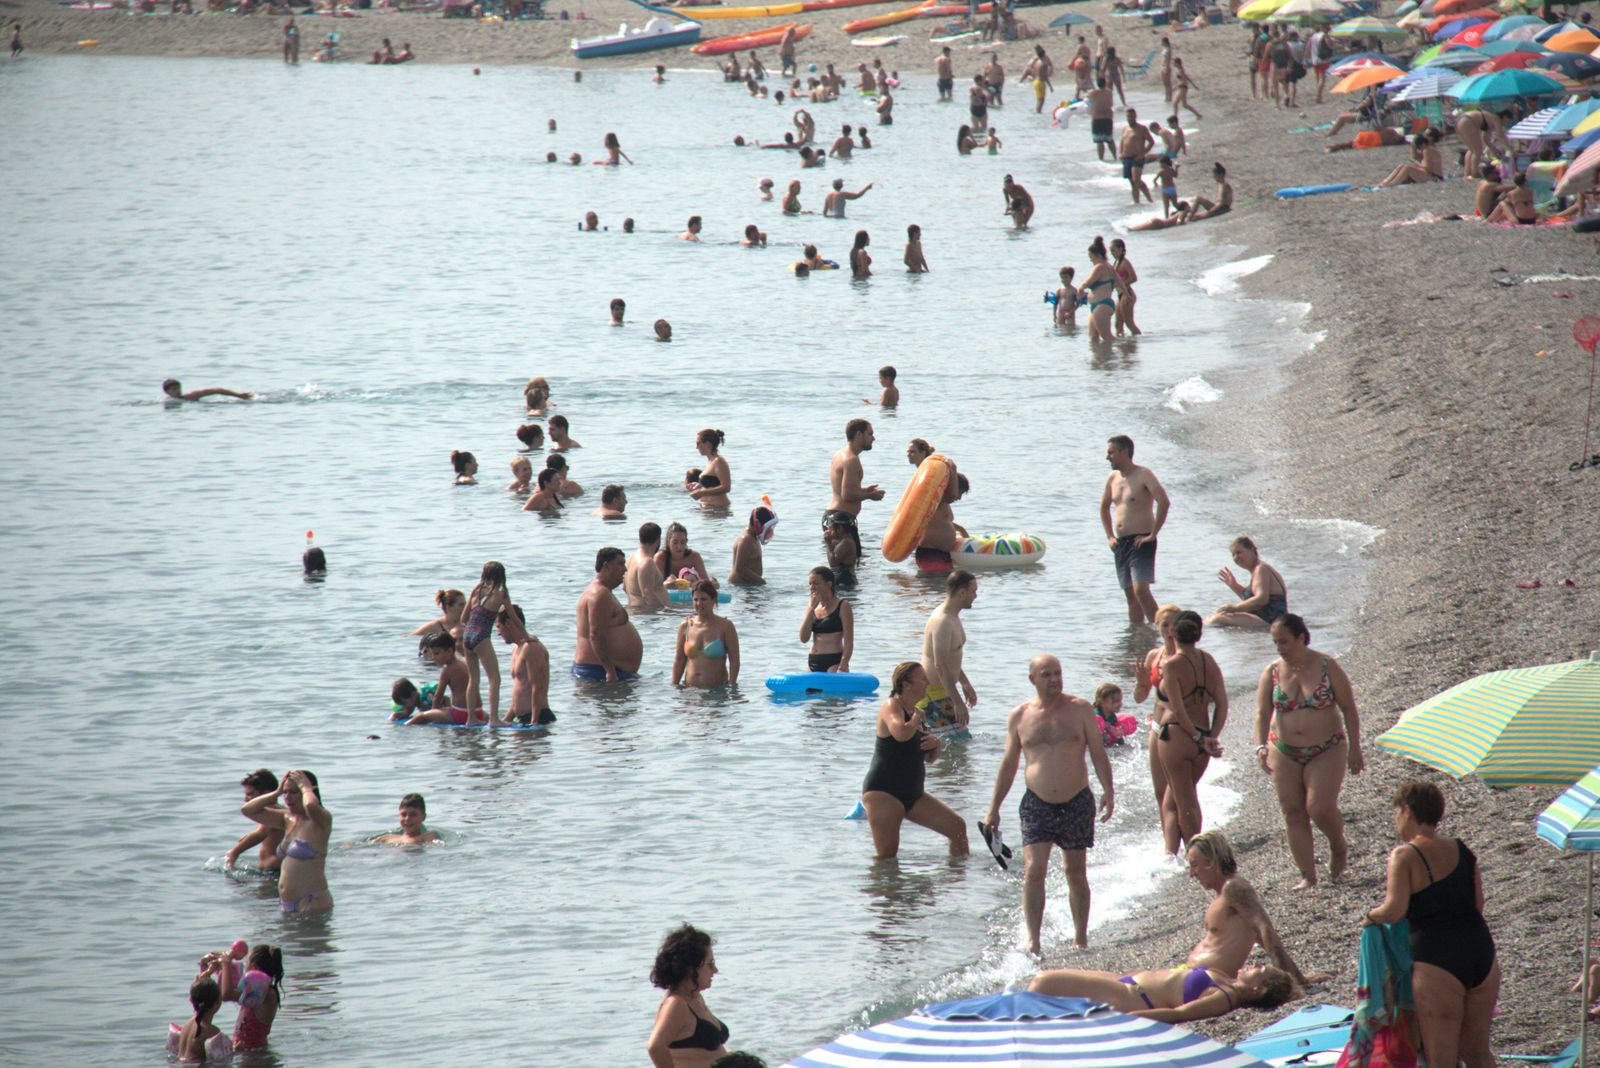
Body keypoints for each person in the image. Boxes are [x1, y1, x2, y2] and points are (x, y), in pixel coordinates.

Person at [985, 655, 1115, 953]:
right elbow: (1008, 765)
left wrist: (1109, 789)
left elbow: (1097, 752)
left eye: (1058, 673)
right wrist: (993, 808)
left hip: (1076, 800)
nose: (1054, 679)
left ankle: (1080, 936)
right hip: (1036, 803)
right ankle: (1033, 940)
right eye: (1046, 674)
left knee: (1075, 871)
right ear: (1033, 679)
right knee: (1034, 870)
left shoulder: (1080, 709)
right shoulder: (1019, 716)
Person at [1363, 782, 1498, 1068]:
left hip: (1437, 957)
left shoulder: (1405, 855)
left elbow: (1395, 910)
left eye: (1396, 812)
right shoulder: (1462, 849)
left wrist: (1370, 916)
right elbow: (1478, 904)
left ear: (1408, 811)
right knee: (1477, 1052)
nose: (1395, 820)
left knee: (1442, 1058)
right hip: (1481, 950)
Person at [1254, 614, 1363, 888]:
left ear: (1301, 638)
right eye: (1275, 642)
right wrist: (1259, 746)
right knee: (1292, 812)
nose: (1279, 647)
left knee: (1319, 807)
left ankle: (1338, 845)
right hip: (1284, 748)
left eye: (1284, 641)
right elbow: (1262, 712)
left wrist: (1355, 748)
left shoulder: (1327, 666)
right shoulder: (1273, 671)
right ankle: (1307, 875)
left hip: (1326, 747)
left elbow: (1349, 709)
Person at [1182, 830, 1319, 985]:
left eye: (1194, 865)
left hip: (1204, 983)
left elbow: (1265, 929)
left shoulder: (1234, 888)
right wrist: (1297, 976)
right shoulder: (1222, 895)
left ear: (1212, 860)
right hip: (1193, 977)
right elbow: (1261, 936)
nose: (1192, 874)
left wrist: (1291, 981)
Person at [861, 662, 967, 859]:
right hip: (885, 792)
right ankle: (884, 889)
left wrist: (936, 745)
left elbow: (929, 759)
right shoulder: (892, 705)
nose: (928, 683)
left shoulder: (917, 713)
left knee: (957, 829)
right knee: (887, 857)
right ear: (906, 684)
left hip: (913, 793)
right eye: (923, 679)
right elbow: (900, 733)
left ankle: (958, 885)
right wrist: (917, 720)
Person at [1154, 611, 1227, 851]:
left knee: (1181, 801)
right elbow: (1222, 703)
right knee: (1182, 798)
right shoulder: (1209, 660)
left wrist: (1196, 737)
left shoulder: (1171, 665)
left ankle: (1193, 854)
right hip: (1203, 735)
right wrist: (1209, 737)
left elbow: (1177, 707)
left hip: (1177, 735)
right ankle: (1176, 854)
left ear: (1173, 633)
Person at [1028, 961, 1293, 1022]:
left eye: (1259, 967)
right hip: (1126, 982)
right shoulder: (1227, 982)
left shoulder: (1224, 998)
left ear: (1257, 989)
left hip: (1131, 997)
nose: (1253, 963)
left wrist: (1131, 1019)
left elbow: (1179, 1014)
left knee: (1042, 983)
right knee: (1048, 990)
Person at [1099, 434, 1168, 624]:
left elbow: (1163, 501)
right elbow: (1104, 507)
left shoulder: (1143, 474)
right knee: (1130, 595)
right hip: (1121, 543)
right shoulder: (1112, 478)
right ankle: (1137, 640)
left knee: (1141, 590)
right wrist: (1109, 536)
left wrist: (1153, 534)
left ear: (1124, 452)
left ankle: (1161, 631)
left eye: (1111, 453)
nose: (1108, 457)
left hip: (1142, 540)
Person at [242, 769, 332, 913]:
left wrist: (306, 788)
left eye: (294, 793)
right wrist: (277, 792)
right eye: (285, 793)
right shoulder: (286, 818)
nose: (287, 798)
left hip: (312, 902)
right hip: (287, 905)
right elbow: (248, 810)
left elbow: (310, 806)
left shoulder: (321, 820)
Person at [647, 924, 730, 1068]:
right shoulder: (676, 1004)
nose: (715, 970)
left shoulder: (695, 997)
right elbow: (655, 1047)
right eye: (710, 964)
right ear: (691, 967)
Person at [920, 570, 979, 730]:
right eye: (973, 591)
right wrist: (958, 702)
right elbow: (940, 665)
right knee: (954, 746)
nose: (975, 595)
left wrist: (965, 683)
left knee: (959, 745)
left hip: (945, 691)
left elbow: (951, 658)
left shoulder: (953, 617)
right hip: (934, 695)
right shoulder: (943, 621)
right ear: (961, 592)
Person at [574, 547, 643, 682]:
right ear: (606, 566)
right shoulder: (599, 594)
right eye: (620, 564)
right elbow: (596, 635)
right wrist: (610, 671)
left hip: (601, 670)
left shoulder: (602, 592)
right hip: (599, 672)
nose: (625, 569)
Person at [824, 418, 886, 563]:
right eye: (870, 434)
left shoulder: (840, 454)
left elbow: (843, 489)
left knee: (845, 563)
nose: (874, 438)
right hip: (841, 520)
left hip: (835, 516)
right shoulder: (851, 460)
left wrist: (864, 490)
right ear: (859, 434)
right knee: (846, 565)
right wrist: (870, 496)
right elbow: (847, 495)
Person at [460, 562, 507, 718]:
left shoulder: (476, 591)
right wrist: (526, 636)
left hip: (466, 636)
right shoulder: (501, 593)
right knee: (495, 678)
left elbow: (463, 618)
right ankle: (494, 719)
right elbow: (514, 619)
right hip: (481, 637)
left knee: (473, 680)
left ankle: (471, 719)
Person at [1208, 537, 1287, 628]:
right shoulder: (1257, 570)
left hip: (1272, 621)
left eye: (1239, 553)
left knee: (1216, 619)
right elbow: (1252, 599)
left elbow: (1261, 599)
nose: (1236, 557)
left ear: (1252, 550)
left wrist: (1235, 608)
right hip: (1264, 618)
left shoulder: (1261, 569)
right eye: (1233, 555)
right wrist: (1234, 585)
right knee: (1212, 616)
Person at [673, 580, 740, 688]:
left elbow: (734, 660)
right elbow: (679, 660)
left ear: (713, 600)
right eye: (695, 600)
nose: (699, 603)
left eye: (703, 599)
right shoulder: (686, 626)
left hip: (717, 692)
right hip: (690, 691)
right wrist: (675, 686)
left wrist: (732, 687)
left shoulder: (725, 626)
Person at [218, 943, 282, 1051]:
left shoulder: (265, 992)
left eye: (247, 961)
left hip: (256, 1056)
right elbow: (226, 989)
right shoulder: (256, 988)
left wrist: (226, 964)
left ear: (254, 966)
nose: (245, 965)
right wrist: (220, 967)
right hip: (248, 1052)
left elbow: (227, 994)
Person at [499, 602, 554, 726]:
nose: (498, 632)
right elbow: (520, 690)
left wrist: (534, 722)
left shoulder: (532, 648)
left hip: (538, 718)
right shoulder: (516, 649)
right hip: (522, 719)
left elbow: (537, 687)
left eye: (498, 626)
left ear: (508, 623)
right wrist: (505, 720)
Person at [224, 769, 284, 872]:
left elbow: (261, 833)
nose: (246, 799)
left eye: (250, 794)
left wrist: (234, 852)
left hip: (274, 869)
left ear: (266, 793)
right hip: (275, 868)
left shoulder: (273, 810)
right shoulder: (278, 810)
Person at [800, 565, 853, 672]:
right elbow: (804, 638)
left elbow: (848, 642)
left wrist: (842, 666)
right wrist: (810, 609)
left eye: (816, 583)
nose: (812, 587)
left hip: (834, 661)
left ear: (829, 584)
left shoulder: (843, 606)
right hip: (813, 661)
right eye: (810, 584)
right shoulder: (811, 607)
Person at [167, 976, 232, 1063]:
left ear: (192, 1000)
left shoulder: (187, 1025)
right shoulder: (211, 1031)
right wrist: (236, 1050)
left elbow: (199, 991)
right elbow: (223, 1061)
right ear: (217, 1003)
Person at [626, 523, 670, 609]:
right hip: (648, 616)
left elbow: (625, 588)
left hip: (636, 613)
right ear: (658, 541)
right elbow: (647, 595)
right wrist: (667, 613)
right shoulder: (646, 562)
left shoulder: (631, 559)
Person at [729, 504, 777, 584]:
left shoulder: (754, 536)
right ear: (758, 524)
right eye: (767, 528)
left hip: (750, 585)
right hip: (741, 586)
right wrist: (762, 582)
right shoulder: (746, 540)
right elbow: (740, 568)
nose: (769, 531)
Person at [373, 793, 442, 845]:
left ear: (423, 817)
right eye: (403, 814)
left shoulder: (428, 836)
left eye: (413, 814)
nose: (407, 818)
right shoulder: (387, 838)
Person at [687, 429, 731, 508]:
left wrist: (702, 492)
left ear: (707, 444)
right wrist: (700, 486)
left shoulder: (719, 461)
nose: (696, 447)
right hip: (708, 509)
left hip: (718, 510)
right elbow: (713, 484)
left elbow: (726, 487)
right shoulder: (711, 461)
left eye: (698, 443)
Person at [1118, 110, 1154, 204]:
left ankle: (1143, 201)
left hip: (1137, 157)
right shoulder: (1125, 129)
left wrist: (1143, 154)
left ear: (1135, 116)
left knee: (1136, 180)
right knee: (1132, 182)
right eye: (1128, 116)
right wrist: (1120, 153)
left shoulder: (1142, 129)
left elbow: (1151, 142)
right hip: (1126, 158)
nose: (1130, 118)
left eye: (1132, 116)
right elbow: (1123, 141)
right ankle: (1142, 202)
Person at [1109, 238, 1139, 337]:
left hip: (1127, 294)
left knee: (1129, 323)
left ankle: (1137, 342)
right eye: (1110, 251)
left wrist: (1120, 284)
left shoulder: (1125, 262)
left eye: (1113, 250)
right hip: (1120, 295)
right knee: (1118, 325)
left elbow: (1134, 278)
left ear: (1121, 249)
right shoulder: (1116, 262)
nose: (1112, 253)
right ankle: (1123, 346)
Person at [1087, 79, 1114, 161]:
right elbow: (1111, 103)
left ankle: (1101, 159)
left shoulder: (1093, 92)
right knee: (1109, 139)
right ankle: (1115, 156)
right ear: (1105, 83)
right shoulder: (1109, 92)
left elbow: (1086, 98)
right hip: (1108, 117)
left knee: (1099, 141)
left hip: (1097, 118)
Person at [161, 378, 252, 402]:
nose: (178, 391)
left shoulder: (191, 396)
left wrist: (238, 395)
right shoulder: (167, 402)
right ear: (167, 392)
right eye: (174, 389)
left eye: (179, 388)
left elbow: (217, 390)